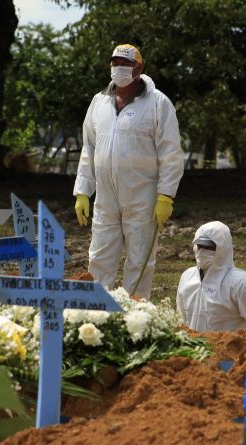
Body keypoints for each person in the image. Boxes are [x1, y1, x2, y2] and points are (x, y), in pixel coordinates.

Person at [73, 44, 184, 299]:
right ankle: (96, 318)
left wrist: (166, 196)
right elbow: (89, 148)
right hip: (105, 199)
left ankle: (135, 322)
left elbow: (171, 153)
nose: (119, 68)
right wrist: (82, 191)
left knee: (140, 262)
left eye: (125, 64)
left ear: (139, 68)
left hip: (143, 198)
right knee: (99, 259)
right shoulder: (99, 102)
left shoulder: (158, 103)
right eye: (115, 63)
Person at [177, 221, 246, 332]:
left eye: (209, 247)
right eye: (199, 245)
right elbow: (182, 320)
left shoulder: (243, 284)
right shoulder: (187, 278)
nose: (202, 251)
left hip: (229, 348)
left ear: (223, 248)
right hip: (193, 348)